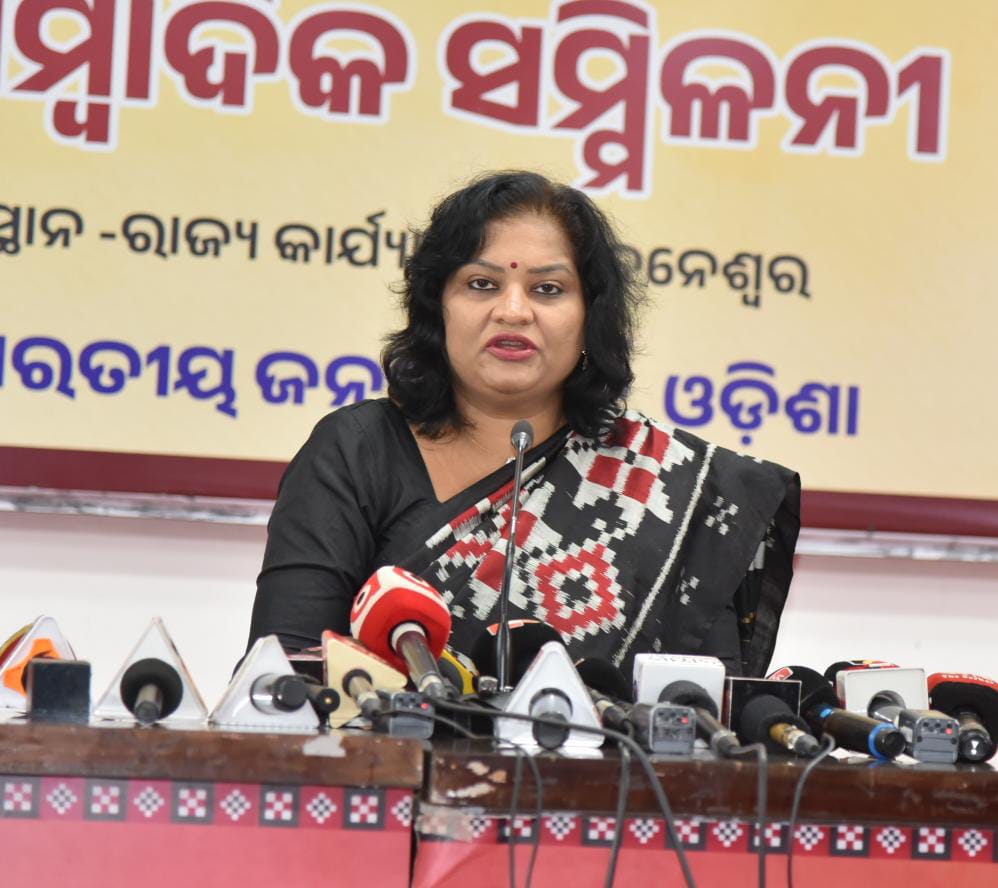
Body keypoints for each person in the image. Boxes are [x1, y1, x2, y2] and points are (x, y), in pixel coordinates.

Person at [247, 171, 800, 678]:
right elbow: (284, 679)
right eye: (481, 284)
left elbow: (700, 710)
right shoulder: (355, 451)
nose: (513, 311)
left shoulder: (675, 488)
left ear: (590, 317)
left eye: (548, 289)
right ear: (437, 307)